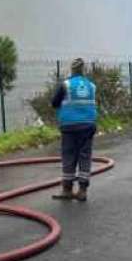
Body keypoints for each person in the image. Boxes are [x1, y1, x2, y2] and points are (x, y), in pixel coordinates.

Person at [51, 58, 97, 201]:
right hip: (88, 125)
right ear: (83, 70)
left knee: (69, 156)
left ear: (72, 69)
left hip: (69, 125)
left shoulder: (66, 84)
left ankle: (67, 190)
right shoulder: (91, 86)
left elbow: (54, 103)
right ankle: (82, 191)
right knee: (85, 156)